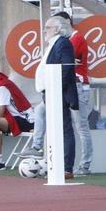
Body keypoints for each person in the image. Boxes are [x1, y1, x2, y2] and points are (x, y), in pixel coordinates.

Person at [41, 14, 82, 180]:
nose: (44, 31)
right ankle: (56, 164)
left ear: (57, 29)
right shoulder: (53, 44)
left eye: (47, 28)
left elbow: (66, 68)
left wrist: (55, 88)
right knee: (55, 129)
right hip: (51, 92)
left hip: (58, 93)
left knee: (65, 129)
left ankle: (66, 167)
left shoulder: (63, 43)